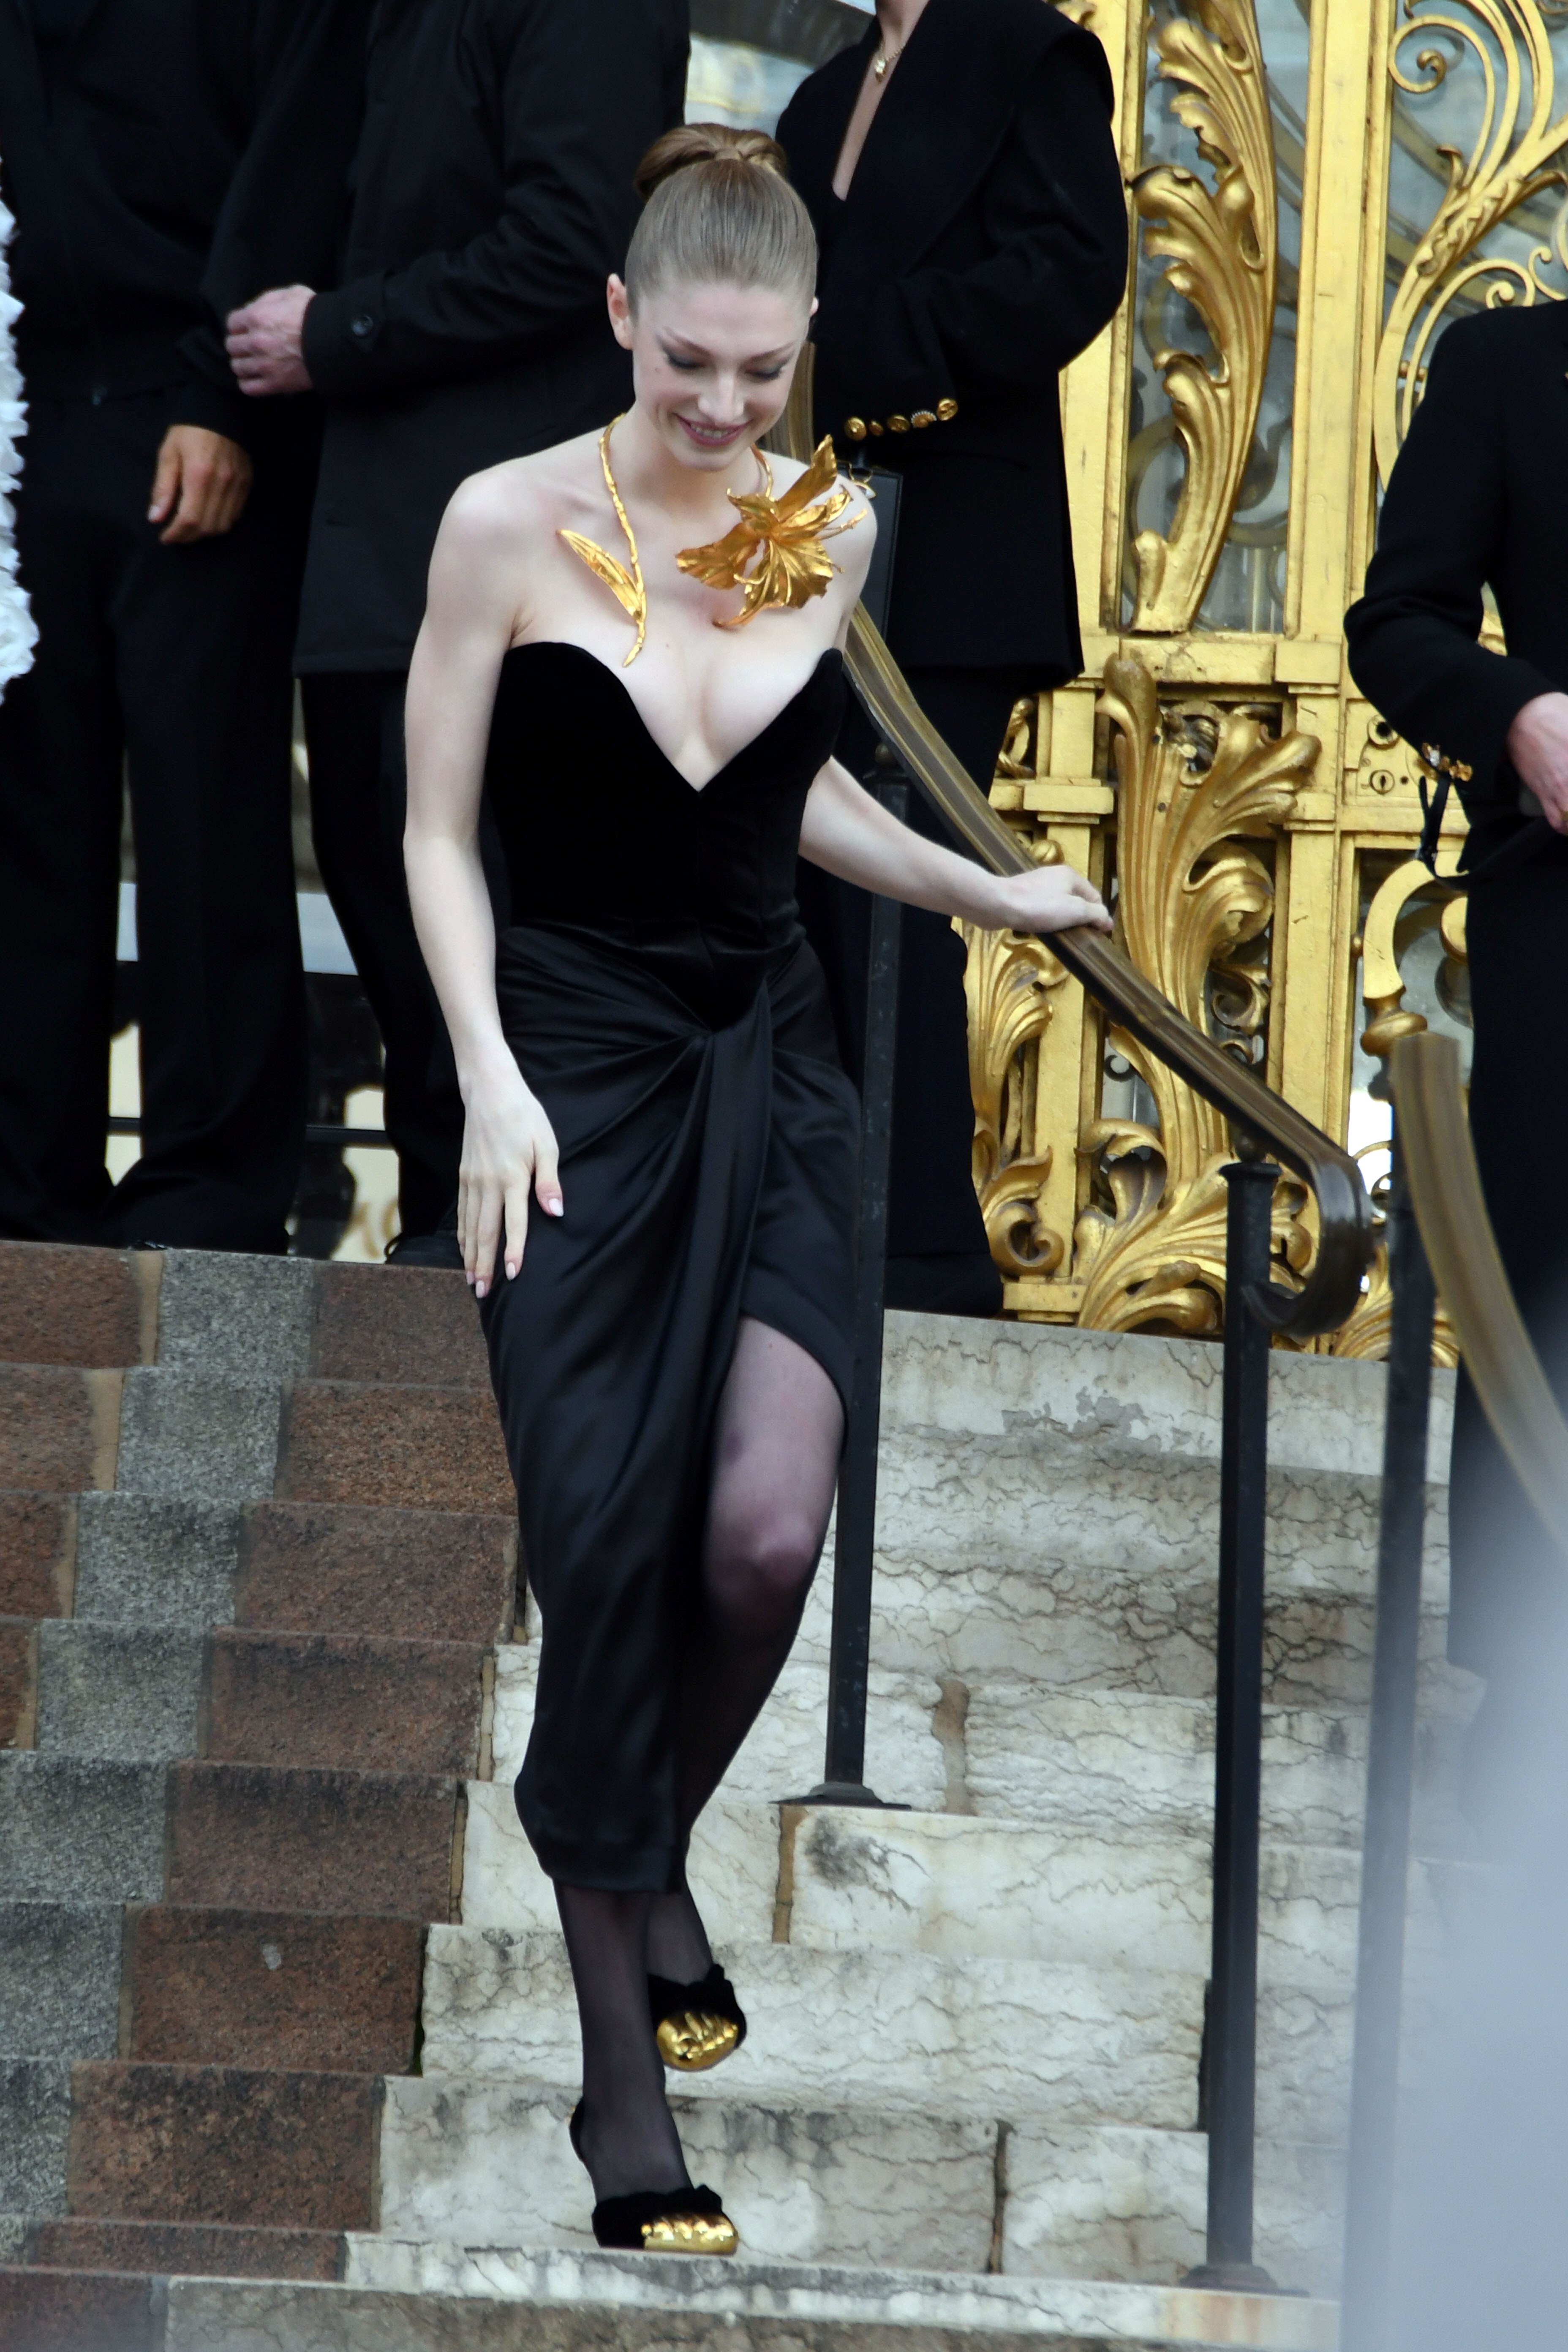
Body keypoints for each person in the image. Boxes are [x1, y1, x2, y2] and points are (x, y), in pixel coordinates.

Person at [403, 125, 1111, 2247]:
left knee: (765, 1526)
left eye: (764, 370)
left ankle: (626, 1849)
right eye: (687, 363)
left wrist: (982, 886)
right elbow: (434, 831)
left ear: (807, 343)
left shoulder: (831, 522)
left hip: (773, 1065)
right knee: (612, 1550)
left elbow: (770, 791)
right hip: (569, 1079)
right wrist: (485, 1084)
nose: (723, 407)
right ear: (622, 316)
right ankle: (625, 2110)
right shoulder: (501, 520)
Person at [226, 0, 689, 1264]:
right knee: (385, 880)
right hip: (381, 545)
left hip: (510, 559)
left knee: (496, 907)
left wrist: (339, 330)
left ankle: (522, 1250)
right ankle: (449, 1227)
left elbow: (575, 244)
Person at [777, 0, 1127, 1318]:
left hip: (961, 547)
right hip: (813, 538)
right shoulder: (820, 97)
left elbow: (1071, 269)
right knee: (803, 881)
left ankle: (922, 1252)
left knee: (895, 889)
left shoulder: (1028, 50)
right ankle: (819, 1223)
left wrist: (862, 358)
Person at [0, 0, 349, 1252]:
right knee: (28, 819)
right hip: (23, 406)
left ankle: (213, 1192)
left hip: (198, 401)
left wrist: (225, 398)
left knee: (206, 811)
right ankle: (26, 1190)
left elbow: (304, 148)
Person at [1344, 302, 1568, 1791]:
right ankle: (1530, 1689)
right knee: (1543, 1283)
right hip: (1561, 905)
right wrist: (1521, 712)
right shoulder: (1509, 365)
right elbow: (1397, 624)